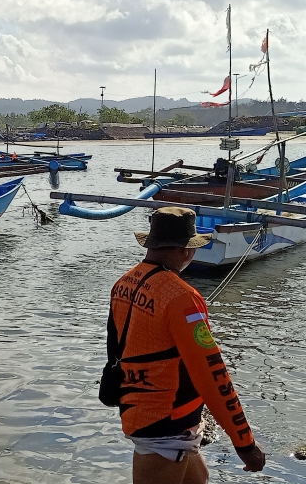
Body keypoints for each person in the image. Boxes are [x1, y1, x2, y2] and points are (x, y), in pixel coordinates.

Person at [107, 207, 265, 483]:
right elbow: (212, 373)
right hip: (167, 426)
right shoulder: (182, 298)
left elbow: (115, 347)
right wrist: (245, 443)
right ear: (186, 251)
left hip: (137, 407)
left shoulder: (124, 283)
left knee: (199, 479)